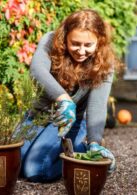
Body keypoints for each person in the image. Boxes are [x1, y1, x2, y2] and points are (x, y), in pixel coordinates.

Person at [20, 9, 123, 183]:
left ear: (99, 41)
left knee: (35, 170)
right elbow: (37, 70)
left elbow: (97, 106)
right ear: (65, 37)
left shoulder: (104, 63)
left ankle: (83, 150)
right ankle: (72, 150)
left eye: (88, 45)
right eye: (75, 43)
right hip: (37, 116)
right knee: (14, 163)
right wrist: (64, 99)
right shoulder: (50, 41)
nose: (81, 51)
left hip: (70, 120)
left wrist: (94, 143)